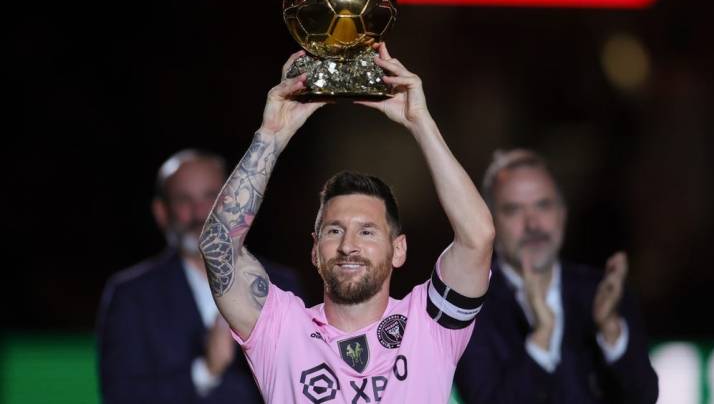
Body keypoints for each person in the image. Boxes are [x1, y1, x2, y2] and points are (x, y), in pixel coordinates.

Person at [197, 43, 495, 403]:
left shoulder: (429, 324)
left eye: (367, 231)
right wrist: (271, 136)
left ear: (398, 248)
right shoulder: (282, 329)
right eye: (334, 230)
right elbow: (218, 248)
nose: (348, 245)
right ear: (314, 249)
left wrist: (421, 123)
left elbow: (478, 238)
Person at [97, 149, 304, 404]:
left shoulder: (281, 286)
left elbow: (303, 384)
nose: (199, 213)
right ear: (162, 212)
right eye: (184, 200)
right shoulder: (131, 295)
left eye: (211, 197)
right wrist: (205, 372)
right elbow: (120, 396)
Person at [455, 149, 658, 403]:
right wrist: (541, 338)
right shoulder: (469, 309)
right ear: (491, 223)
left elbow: (644, 396)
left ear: (563, 213)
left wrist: (610, 329)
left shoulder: (603, 292)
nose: (533, 224)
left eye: (543, 205)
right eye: (514, 210)